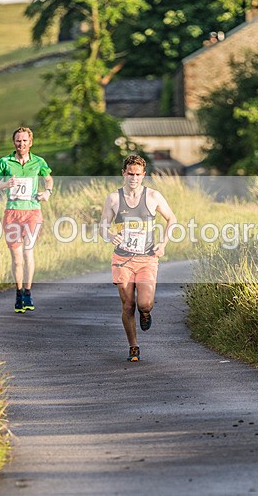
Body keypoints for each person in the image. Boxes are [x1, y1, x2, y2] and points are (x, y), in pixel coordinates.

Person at [100, 154, 177, 362]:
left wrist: (163, 243)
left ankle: (145, 313)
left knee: (144, 304)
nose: (133, 178)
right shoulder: (114, 198)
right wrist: (110, 235)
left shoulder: (153, 196)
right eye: (130, 174)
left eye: (138, 174)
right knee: (127, 305)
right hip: (123, 259)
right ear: (123, 173)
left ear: (143, 175)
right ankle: (133, 346)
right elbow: (103, 226)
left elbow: (171, 219)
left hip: (147, 258)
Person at [0, 126, 54, 313]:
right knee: (17, 259)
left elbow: (48, 180)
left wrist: (47, 192)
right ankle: (18, 293)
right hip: (12, 213)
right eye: (18, 140)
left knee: (28, 252)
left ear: (30, 143)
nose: (21, 144)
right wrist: (5, 184)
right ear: (14, 142)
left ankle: (28, 291)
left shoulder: (38, 162)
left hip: (32, 212)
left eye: (25, 140)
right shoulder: (5, 162)